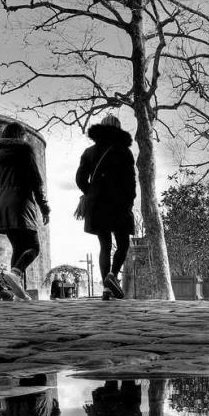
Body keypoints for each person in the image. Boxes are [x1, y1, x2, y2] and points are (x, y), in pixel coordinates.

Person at [0, 121, 50, 301]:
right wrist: (45, 208)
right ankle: (16, 274)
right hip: (22, 205)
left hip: (3, 208)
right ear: (20, 136)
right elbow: (37, 183)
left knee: (18, 249)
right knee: (34, 248)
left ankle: (18, 293)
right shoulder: (25, 151)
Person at [76, 113, 136, 299]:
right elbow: (130, 182)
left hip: (97, 205)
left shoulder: (89, 152)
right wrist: (129, 201)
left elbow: (79, 179)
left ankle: (106, 289)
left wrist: (91, 192)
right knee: (123, 243)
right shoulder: (125, 152)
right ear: (118, 129)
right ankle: (112, 275)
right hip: (119, 204)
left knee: (105, 245)